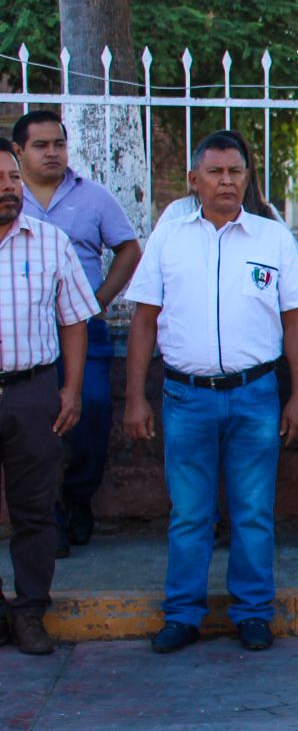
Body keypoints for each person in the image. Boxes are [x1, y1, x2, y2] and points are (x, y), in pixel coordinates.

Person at [124, 130, 298, 654]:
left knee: (253, 510)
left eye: (236, 171)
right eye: (216, 171)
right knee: (190, 513)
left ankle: (252, 613)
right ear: (194, 180)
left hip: (255, 395)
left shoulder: (271, 237)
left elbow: (296, 321)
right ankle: (182, 614)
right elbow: (144, 317)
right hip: (187, 397)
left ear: (247, 178)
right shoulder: (171, 233)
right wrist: (136, 397)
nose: (227, 180)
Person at [12, 111, 143, 554]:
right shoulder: (9, 198)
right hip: (22, 335)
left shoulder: (94, 198)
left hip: (84, 328)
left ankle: (78, 500)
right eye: (41, 145)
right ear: (19, 152)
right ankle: (46, 517)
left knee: (92, 409)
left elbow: (128, 248)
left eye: (58, 144)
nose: (52, 152)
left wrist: (99, 300)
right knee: (34, 424)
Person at [0, 137, 97, 654]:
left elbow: (75, 320)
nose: (9, 189)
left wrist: (71, 388)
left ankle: (31, 610)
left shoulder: (48, 240)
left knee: (35, 510)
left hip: (33, 392)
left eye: (13, 178)